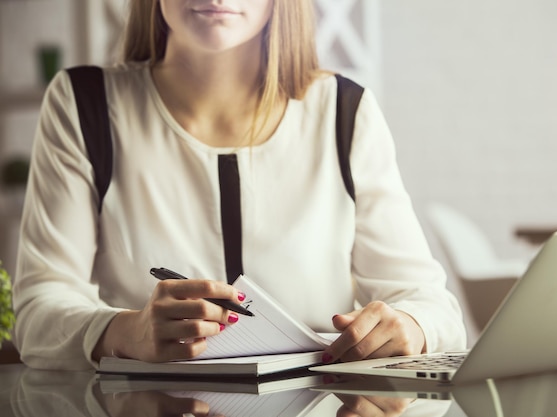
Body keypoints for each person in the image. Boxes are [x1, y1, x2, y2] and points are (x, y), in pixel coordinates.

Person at [12, 0, 466, 370]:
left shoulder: (346, 112)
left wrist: (410, 324)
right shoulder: (82, 105)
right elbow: (37, 315)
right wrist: (126, 332)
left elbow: (433, 307)